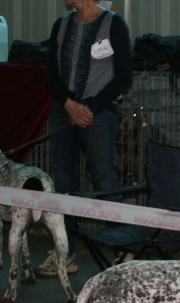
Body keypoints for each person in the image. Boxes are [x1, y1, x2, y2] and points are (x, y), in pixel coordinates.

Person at [34, 0, 132, 278]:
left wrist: (91, 107)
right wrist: (68, 103)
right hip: (64, 111)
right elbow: (51, 75)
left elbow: (124, 76)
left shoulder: (113, 24)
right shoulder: (61, 25)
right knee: (63, 181)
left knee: (104, 180)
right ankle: (66, 253)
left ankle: (123, 252)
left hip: (98, 114)